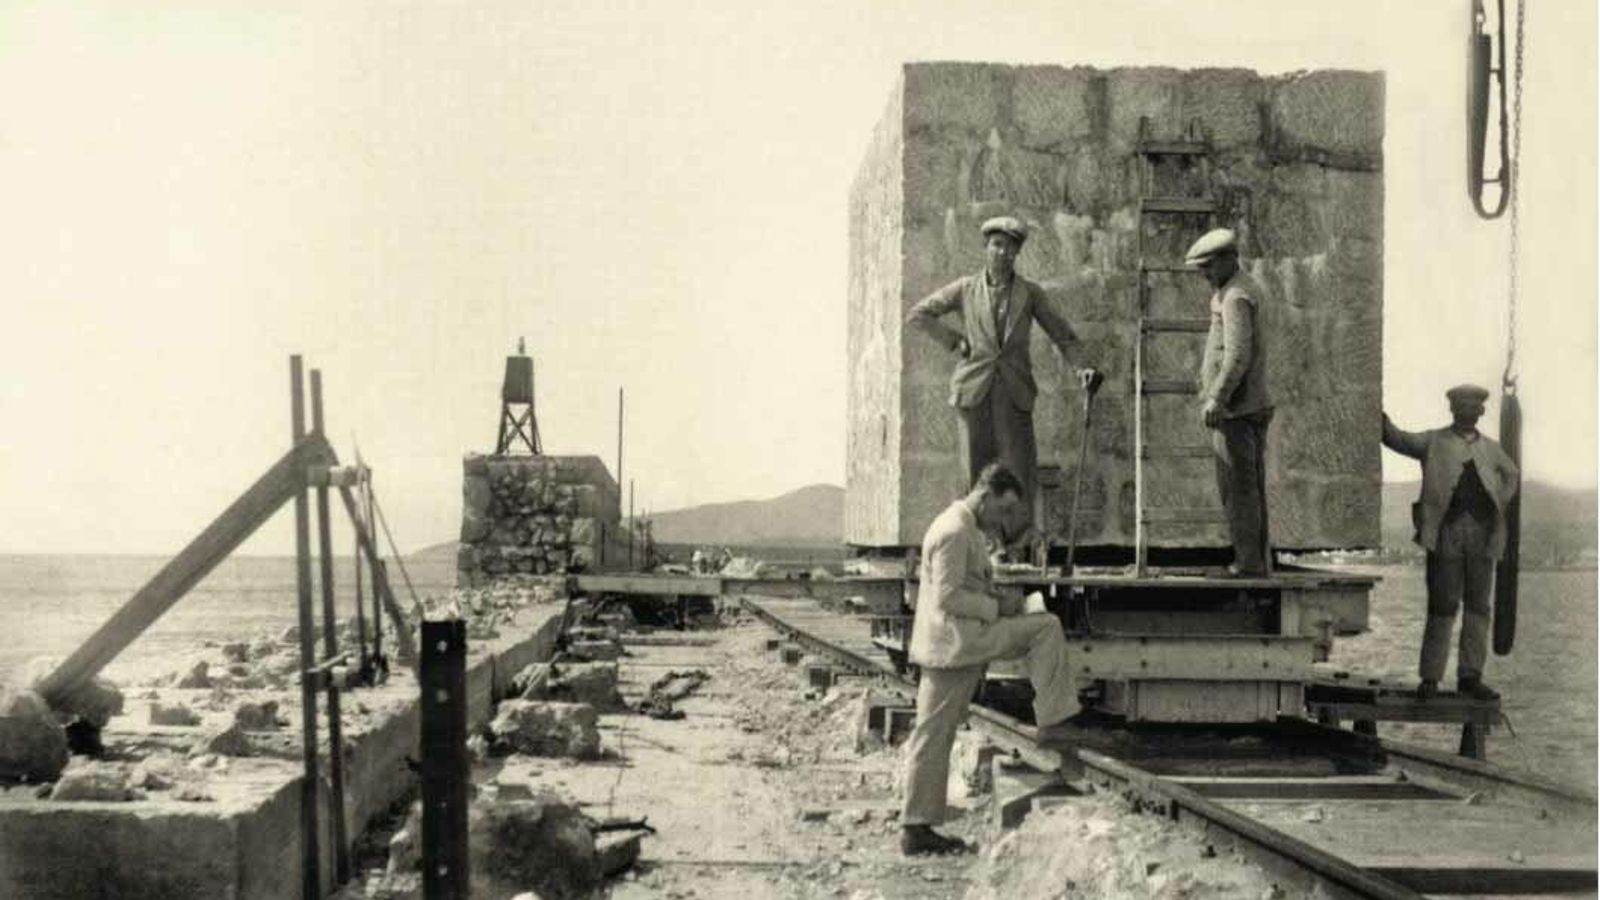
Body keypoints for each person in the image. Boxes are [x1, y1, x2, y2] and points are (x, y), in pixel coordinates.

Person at [899, 463, 1079, 856]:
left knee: (933, 732)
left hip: (957, 641)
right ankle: (1053, 723)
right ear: (985, 497)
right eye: (1002, 508)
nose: (1004, 519)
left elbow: (962, 586)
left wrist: (999, 600)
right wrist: (996, 608)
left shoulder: (961, 526)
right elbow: (948, 596)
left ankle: (917, 825)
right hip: (958, 645)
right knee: (1046, 628)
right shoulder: (955, 531)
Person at [906, 216, 1097, 534]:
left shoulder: (1030, 293)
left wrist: (1082, 368)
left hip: (1014, 393)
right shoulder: (965, 289)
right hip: (973, 392)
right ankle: (976, 544)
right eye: (997, 245)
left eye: (1010, 248)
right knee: (974, 473)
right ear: (986, 248)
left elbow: (1062, 334)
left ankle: (1012, 545)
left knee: (1017, 473)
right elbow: (919, 314)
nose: (1003, 254)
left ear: (1017, 253)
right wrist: (955, 341)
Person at [1382, 385, 1520, 701]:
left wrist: (1500, 499)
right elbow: (1397, 439)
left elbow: (1512, 474)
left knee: (1478, 607)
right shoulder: (1433, 441)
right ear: (1453, 409)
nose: (1467, 411)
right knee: (1442, 606)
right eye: (1462, 406)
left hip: (1483, 537)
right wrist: (1380, 419)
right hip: (1446, 534)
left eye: (1473, 407)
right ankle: (1430, 678)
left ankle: (1470, 676)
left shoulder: (1492, 448)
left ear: (1481, 412)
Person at [1185, 228, 1274, 576]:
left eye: (1208, 267)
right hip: (1247, 406)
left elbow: (1237, 356)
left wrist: (1217, 400)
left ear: (1227, 260)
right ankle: (1254, 561)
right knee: (1248, 488)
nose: (1205, 275)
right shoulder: (1240, 289)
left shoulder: (1235, 295)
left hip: (1238, 410)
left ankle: (1249, 565)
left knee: (1238, 491)